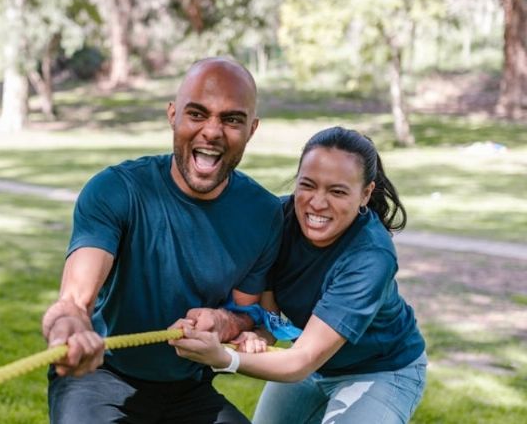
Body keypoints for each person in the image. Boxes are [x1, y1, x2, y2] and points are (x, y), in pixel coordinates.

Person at [41, 57, 284, 423]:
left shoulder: (264, 214)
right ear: (173, 115)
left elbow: (249, 315)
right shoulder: (116, 190)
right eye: (197, 114)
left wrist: (223, 323)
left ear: (252, 129)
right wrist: (69, 329)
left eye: (232, 119)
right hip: (99, 377)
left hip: (187, 390)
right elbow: (75, 299)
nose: (212, 132)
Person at [170, 126, 427, 424]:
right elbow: (271, 320)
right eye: (307, 185)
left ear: (365, 194)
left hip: (380, 369)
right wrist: (253, 334)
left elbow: (301, 360)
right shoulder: (276, 221)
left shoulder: (371, 256)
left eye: (337, 191)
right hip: (310, 364)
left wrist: (225, 358)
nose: (317, 203)